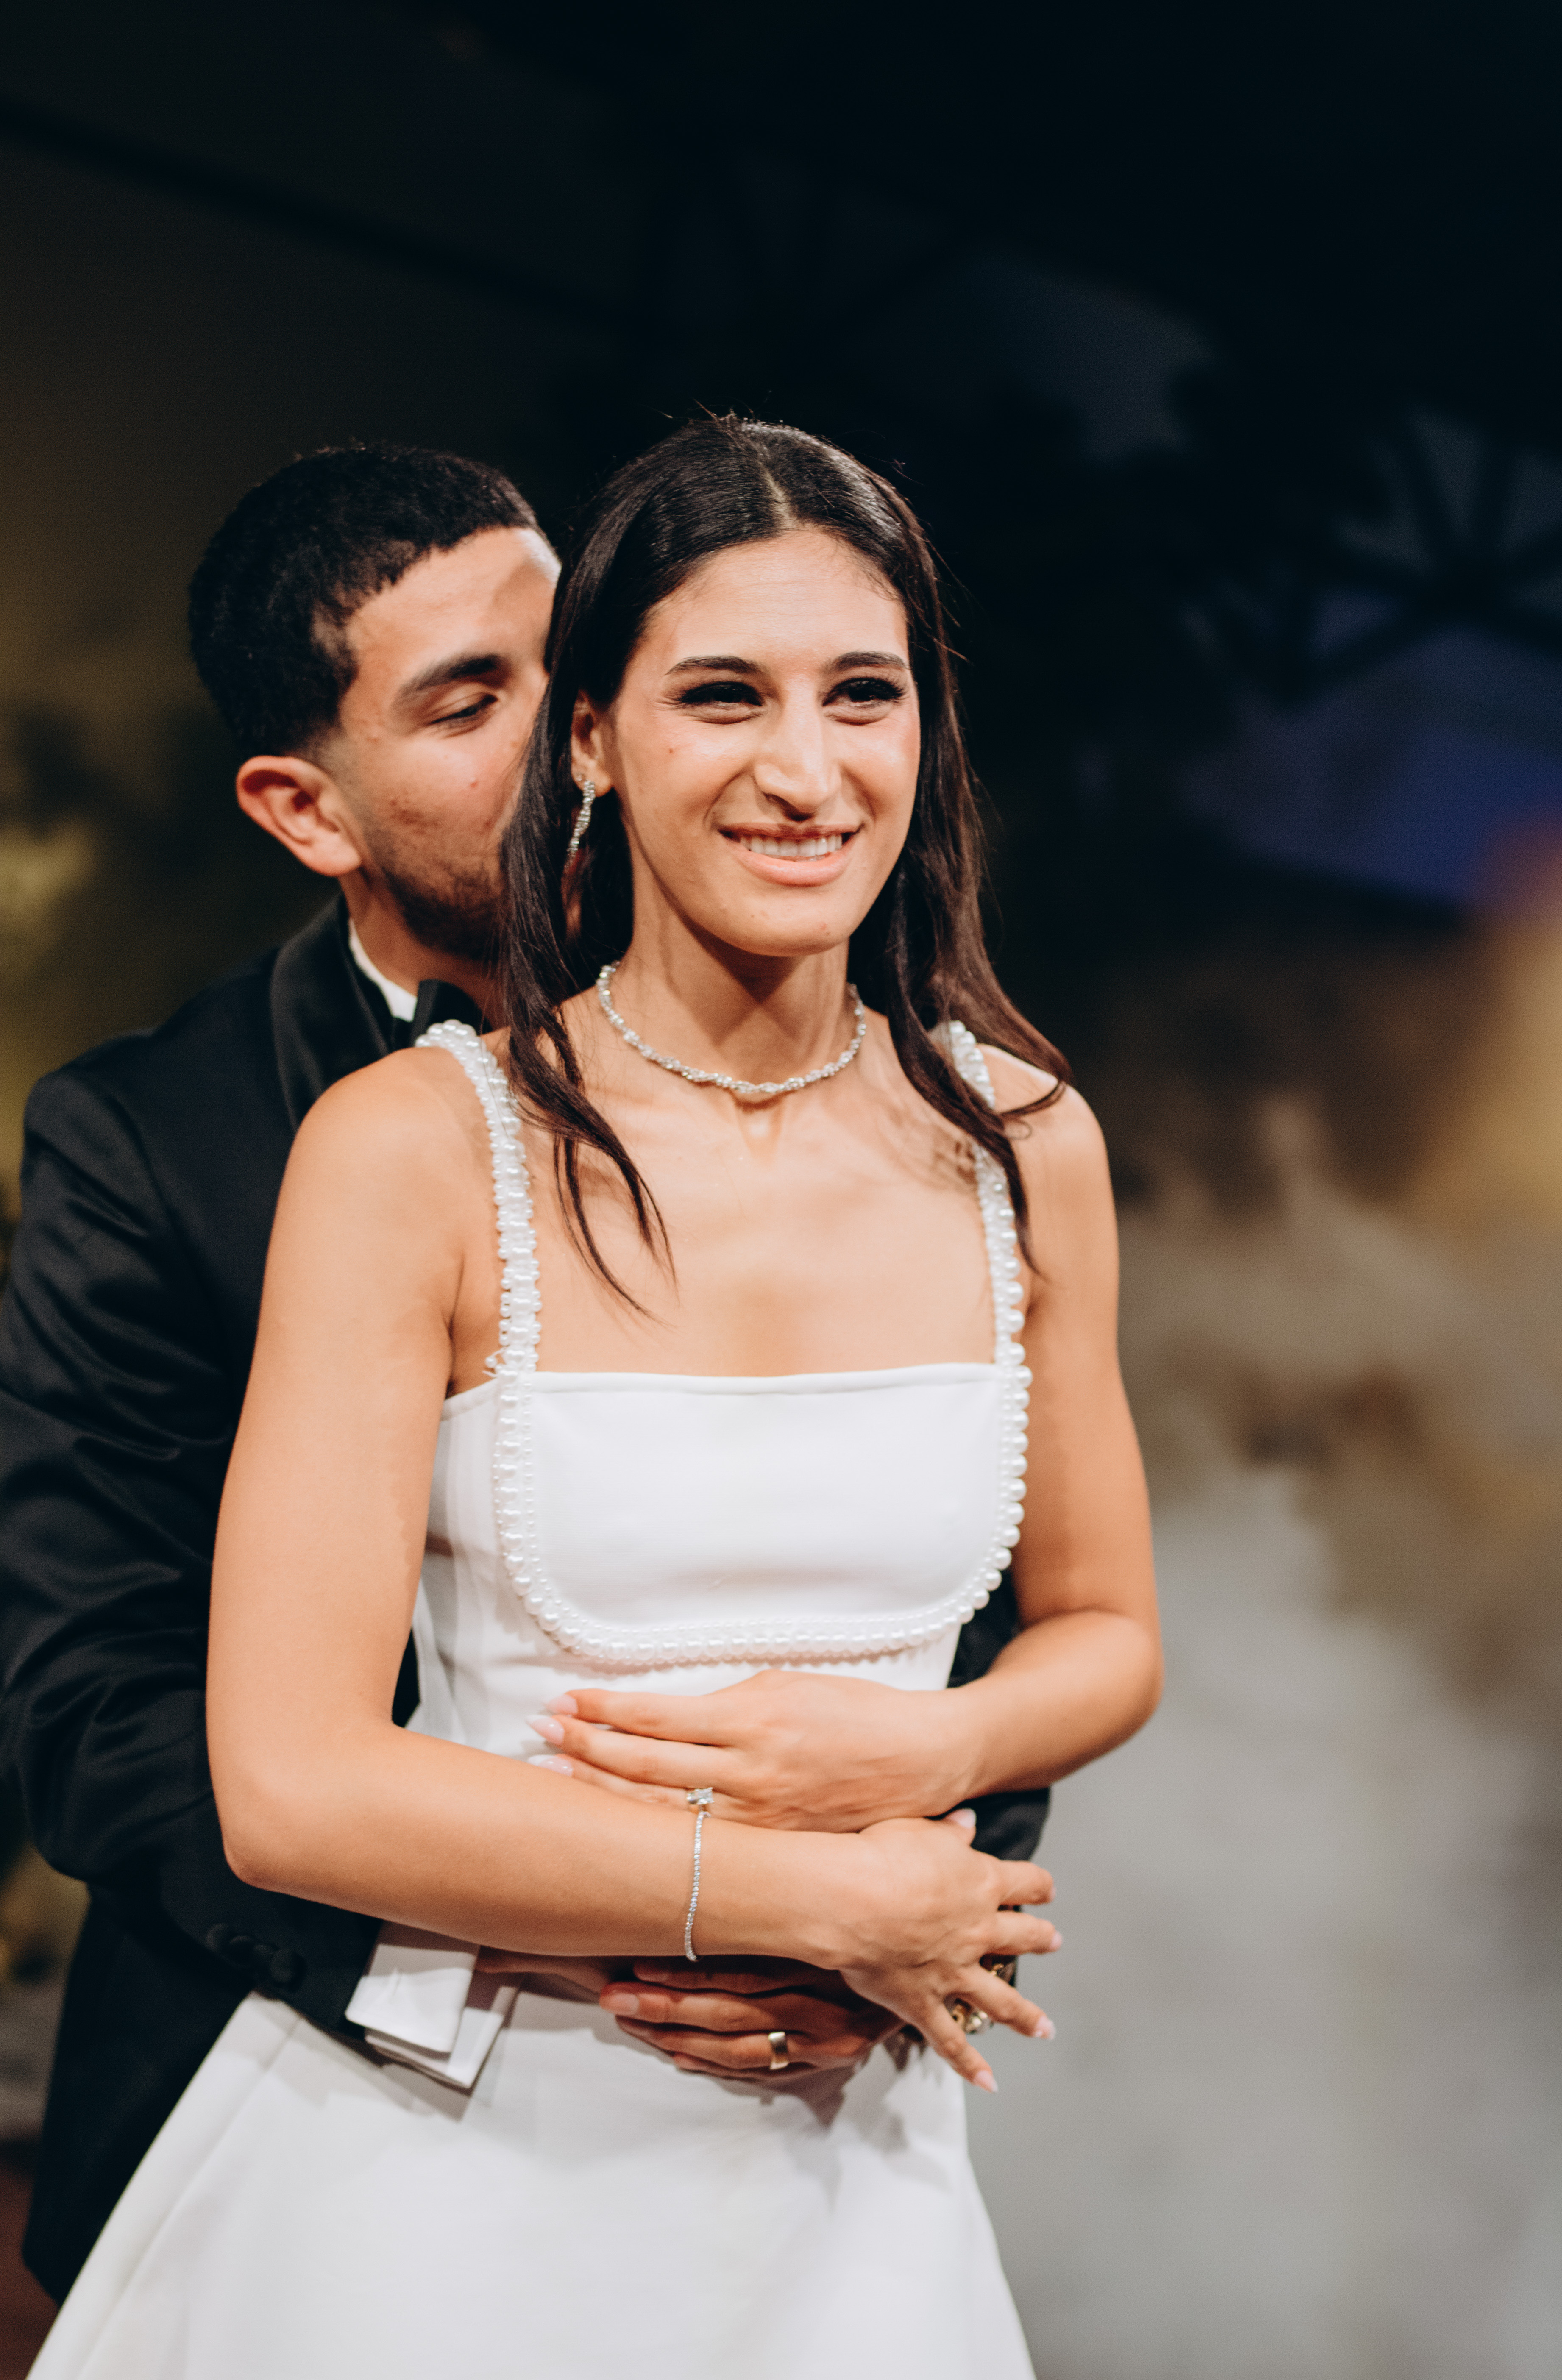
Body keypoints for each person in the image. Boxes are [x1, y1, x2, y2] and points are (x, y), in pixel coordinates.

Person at [27, 416, 1161, 2379]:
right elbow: (148, 1728)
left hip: (847, 2137)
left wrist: (916, 1830)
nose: (796, 764)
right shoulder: (302, 1142)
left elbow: (1067, 1624)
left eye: (863, 692)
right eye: (711, 693)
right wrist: (761, 1905)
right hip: (411, 2094)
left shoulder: (1017, 1136)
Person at [0, 442, 560, 2297]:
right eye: (472, 703)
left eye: (574, 667)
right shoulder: (147, 1142)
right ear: (308, 810)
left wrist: (869, 1911)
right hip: (295, 2079)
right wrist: (531, 1950)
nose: (572, 740)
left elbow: (957, 1558)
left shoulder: (836, 1082)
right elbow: (95, 1698)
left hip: (780, 2076)